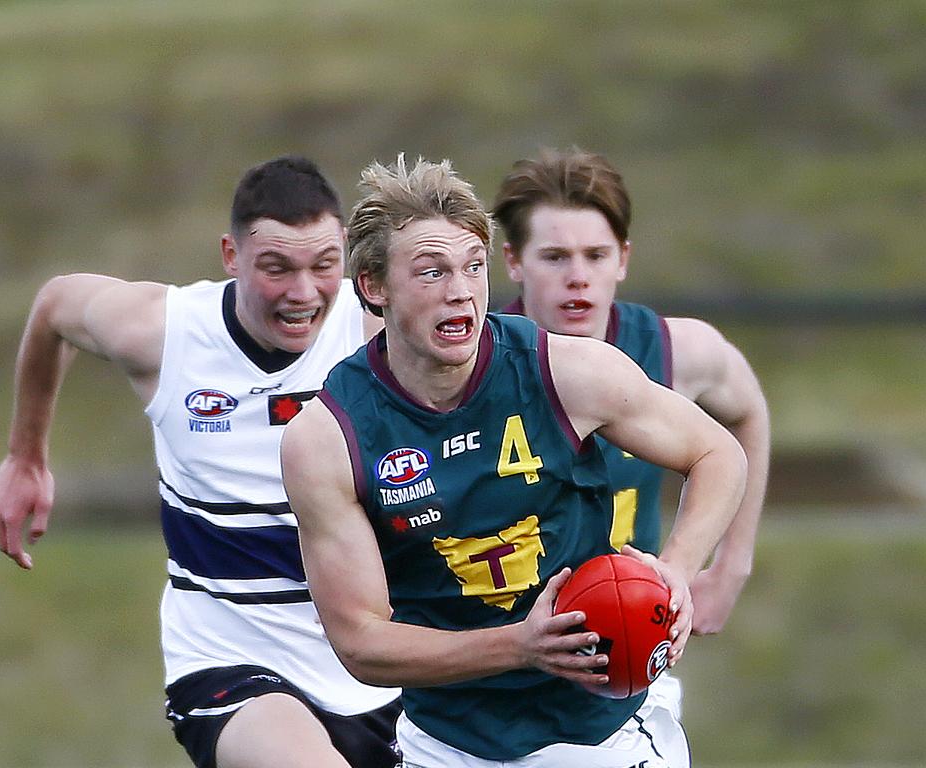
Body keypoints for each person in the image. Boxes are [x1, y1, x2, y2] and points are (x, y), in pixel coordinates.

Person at [280, 155, 748, 767]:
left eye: (473, 267)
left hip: (603, 735)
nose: (459, 292)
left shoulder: (566, 370)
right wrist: (520, 646)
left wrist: (678, 571)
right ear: (373, 286)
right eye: (431, 272)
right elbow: (361, 643)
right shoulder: (327, 438)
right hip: (449, 745)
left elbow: (719, 451)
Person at [0, 156, 402, 768]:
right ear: (231, 256)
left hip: (379, 665)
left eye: (323, 266)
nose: (303, 292)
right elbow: (56, 307)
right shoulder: (166, 332)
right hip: (231, 664)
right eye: (276, 268)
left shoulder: (379, 333)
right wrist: (26, 456)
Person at [492, 146, 771, 763]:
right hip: (498, 659)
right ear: (512, 260)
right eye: (555, 257)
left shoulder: (677, 351)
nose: (577, 276)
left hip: (628, 653)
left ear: (624, 258)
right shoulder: (472, 364)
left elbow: (748, 412)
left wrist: (729, 564)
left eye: (595, 255)